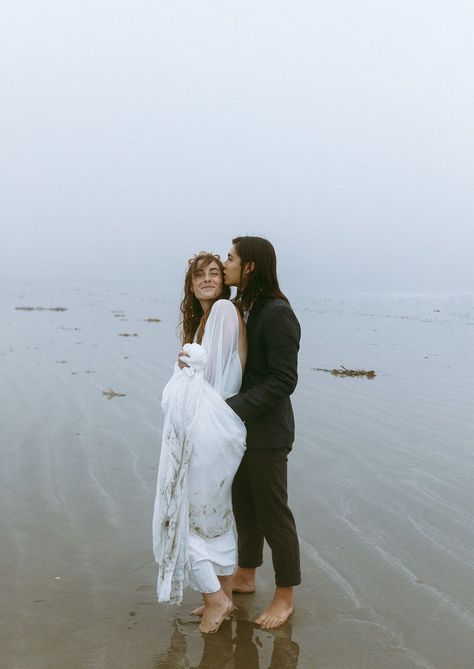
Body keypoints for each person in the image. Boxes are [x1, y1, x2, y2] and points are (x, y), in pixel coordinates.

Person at [152, 252, 247, 634]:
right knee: (214, 514)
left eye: (214, 273)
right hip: (218, 427)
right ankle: (222, 592)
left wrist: (188, 366)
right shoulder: (203, 321)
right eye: (199, 275)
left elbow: (214, 375)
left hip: (212, 427)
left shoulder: (223, 310)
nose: (207, 279)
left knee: (183, 513)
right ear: (190, 285)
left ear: (224, 281)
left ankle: (215, 598)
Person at [223, 236, 301, 630]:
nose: (226, 262)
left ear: (250, 266)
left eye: (231, 257)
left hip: (268, 433)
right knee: (244, 507)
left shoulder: (276, 313)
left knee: (274, 515)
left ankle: (285, 598)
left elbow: (284, 380)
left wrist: (230, 408)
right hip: (241, 431)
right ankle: (246, 576)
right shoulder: (244, 307)